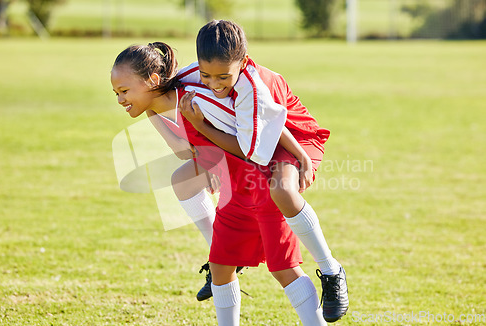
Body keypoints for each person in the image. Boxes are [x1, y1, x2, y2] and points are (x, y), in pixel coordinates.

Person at [110, 42, 328, 325]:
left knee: (283, 269)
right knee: (218, 258)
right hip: (236, 180)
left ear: (152, 81)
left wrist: (299, 153)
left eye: (124, 91)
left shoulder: (196, 97)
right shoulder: (156, 109)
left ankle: (328, 274)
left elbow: (263, 124)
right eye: (116, 93)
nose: (119, 99)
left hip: (258, 177)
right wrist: (207, 159)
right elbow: (184, 150)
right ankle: (220, 253)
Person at [178, 20, 348, 322]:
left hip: (297, 137)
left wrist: (200, 125)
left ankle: (332, 271)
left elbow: (248, 149)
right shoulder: (194, 75)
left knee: (281, 189)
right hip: (265, 139)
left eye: (222, 77)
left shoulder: (251, 89)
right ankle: (225, 258)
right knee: (223, 252)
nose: (214, 84)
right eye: (206, 75)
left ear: (243, 63)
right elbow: (165, 86)